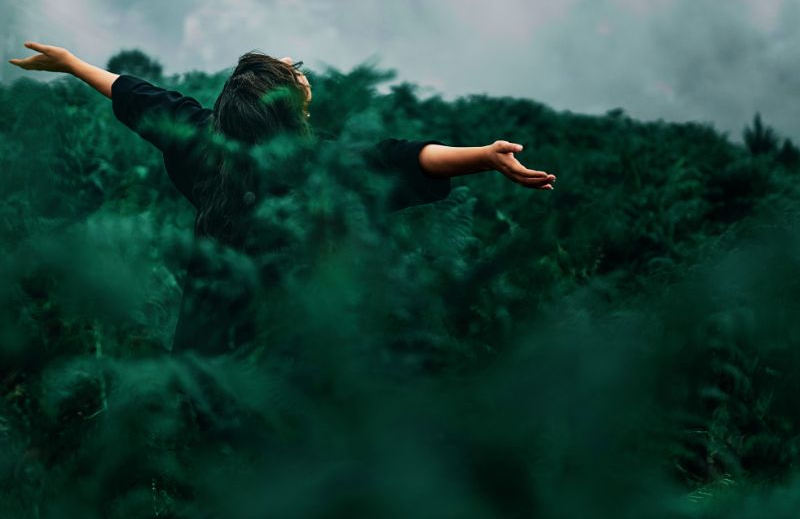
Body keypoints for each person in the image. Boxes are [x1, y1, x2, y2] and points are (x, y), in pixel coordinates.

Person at [9, 41, 557, 356]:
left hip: (203, 345)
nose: (301, 75)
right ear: (289, 112)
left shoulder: (200, 138)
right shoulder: (314, 166)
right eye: (296, 80)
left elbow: (133, 95)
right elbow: (400, 157)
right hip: (288, 351)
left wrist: (72, 64)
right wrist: (483, 156)